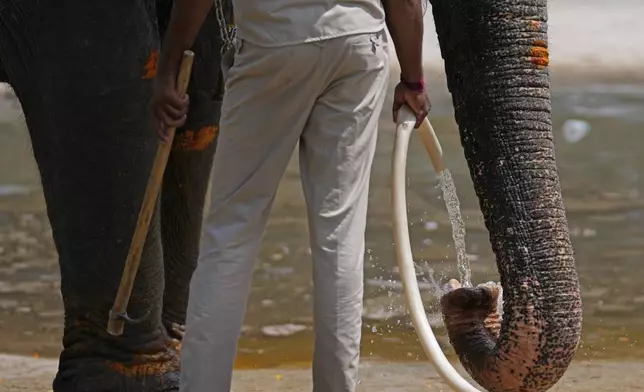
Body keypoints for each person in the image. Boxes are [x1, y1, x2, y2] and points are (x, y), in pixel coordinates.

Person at [152, 0, 430, 391]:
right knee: (340, 236)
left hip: (271, 43)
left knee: (231, 233)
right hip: (356, 43)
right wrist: (413, 80)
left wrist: (167, 68)